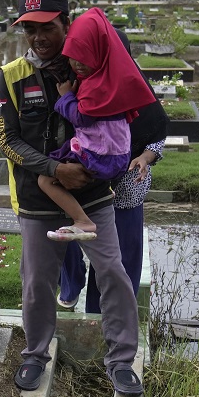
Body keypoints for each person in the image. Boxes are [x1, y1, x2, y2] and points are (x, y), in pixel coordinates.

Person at [0, 0, 146, 397]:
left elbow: (120, 122)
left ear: (66, 21)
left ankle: (120, 362)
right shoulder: (11, 76)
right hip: (39, 197)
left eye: (46, 27)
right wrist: (54, 168)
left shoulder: (90, 68)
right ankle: (35, 354)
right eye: (29, 29)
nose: (38, 37)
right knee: (36, 281)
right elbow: (8, 140)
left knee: (113, 272)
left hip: (93, 194)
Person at [59, 28, 169, 310]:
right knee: (68, 242)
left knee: (120, 256)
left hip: (125, 189)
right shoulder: (78, 85)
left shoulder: (135, 89)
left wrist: (145, 157)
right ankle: (71, 287)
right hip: (84, 182)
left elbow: (155, 133)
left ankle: (106, 314)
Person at [35, 7, 153, 243]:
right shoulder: (114, 79)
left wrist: (66, 96)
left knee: (45, 179)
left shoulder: (93, 87)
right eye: (73, 56)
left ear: (99, 52)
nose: (77, 64)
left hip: (101, 157)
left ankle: (82, 220)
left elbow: (81, 118)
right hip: (118, 155)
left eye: (84, 57)